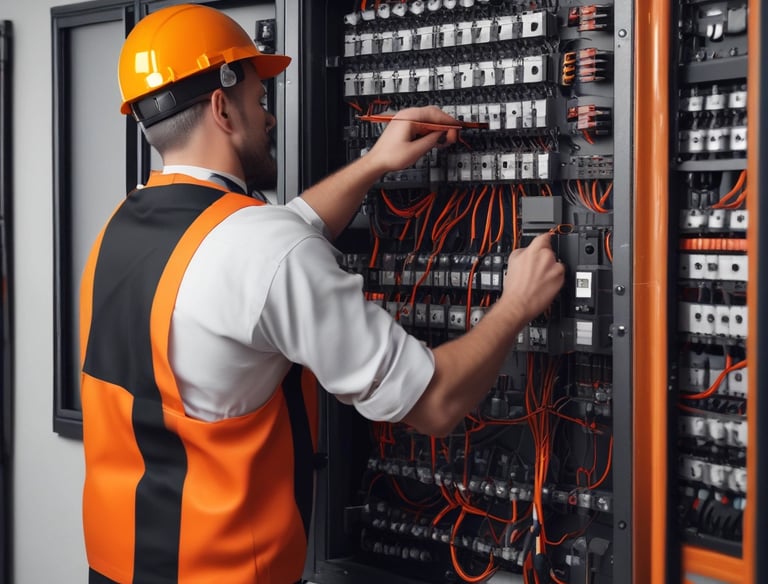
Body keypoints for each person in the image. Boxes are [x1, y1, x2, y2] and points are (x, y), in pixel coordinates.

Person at [79, 4, 565, 584]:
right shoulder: (263, 249)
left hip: (118, 565)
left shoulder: (118, 230)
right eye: (261, 101)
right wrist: (515, 304)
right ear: (221, 107)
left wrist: (375, 163)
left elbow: (275, 243)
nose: (271, 119)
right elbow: (433, 403)